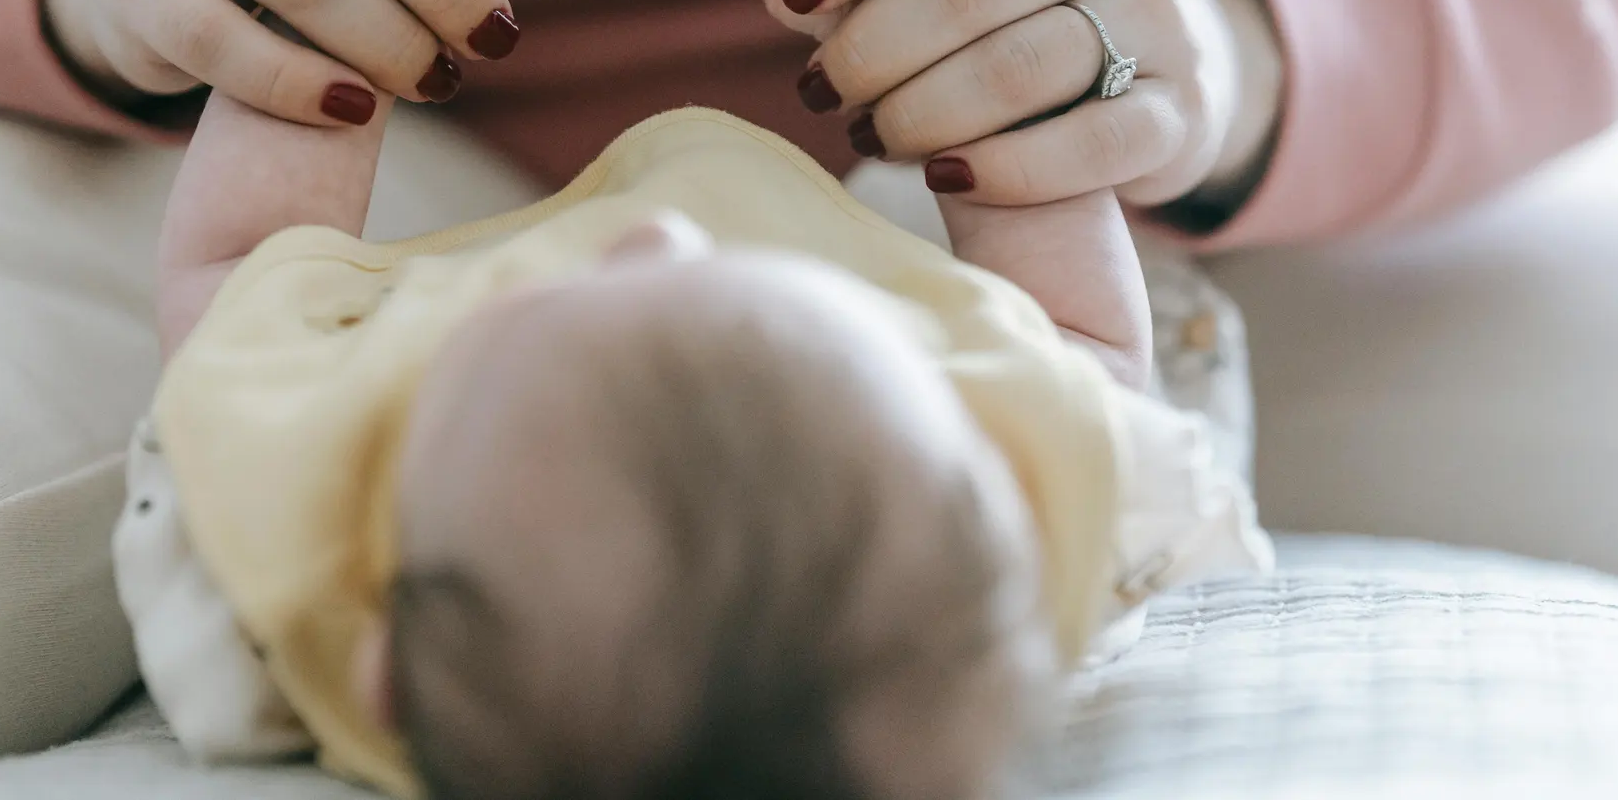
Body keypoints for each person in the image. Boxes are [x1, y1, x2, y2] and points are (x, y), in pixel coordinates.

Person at [0, 0, 1618, 795]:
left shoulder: (274, 485)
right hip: (166, 127)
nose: (649, 231)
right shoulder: (1065, 437)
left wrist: (1215, 43)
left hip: (1163, 154)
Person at [115, 94, 1269, 800]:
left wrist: (315, 61)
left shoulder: (284, 585)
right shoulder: (983, 582)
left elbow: (239, 282)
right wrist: (1005, 136)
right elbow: (1081, 359)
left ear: (383, 675)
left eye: (531, 307)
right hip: (889, 275)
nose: (655, 232)